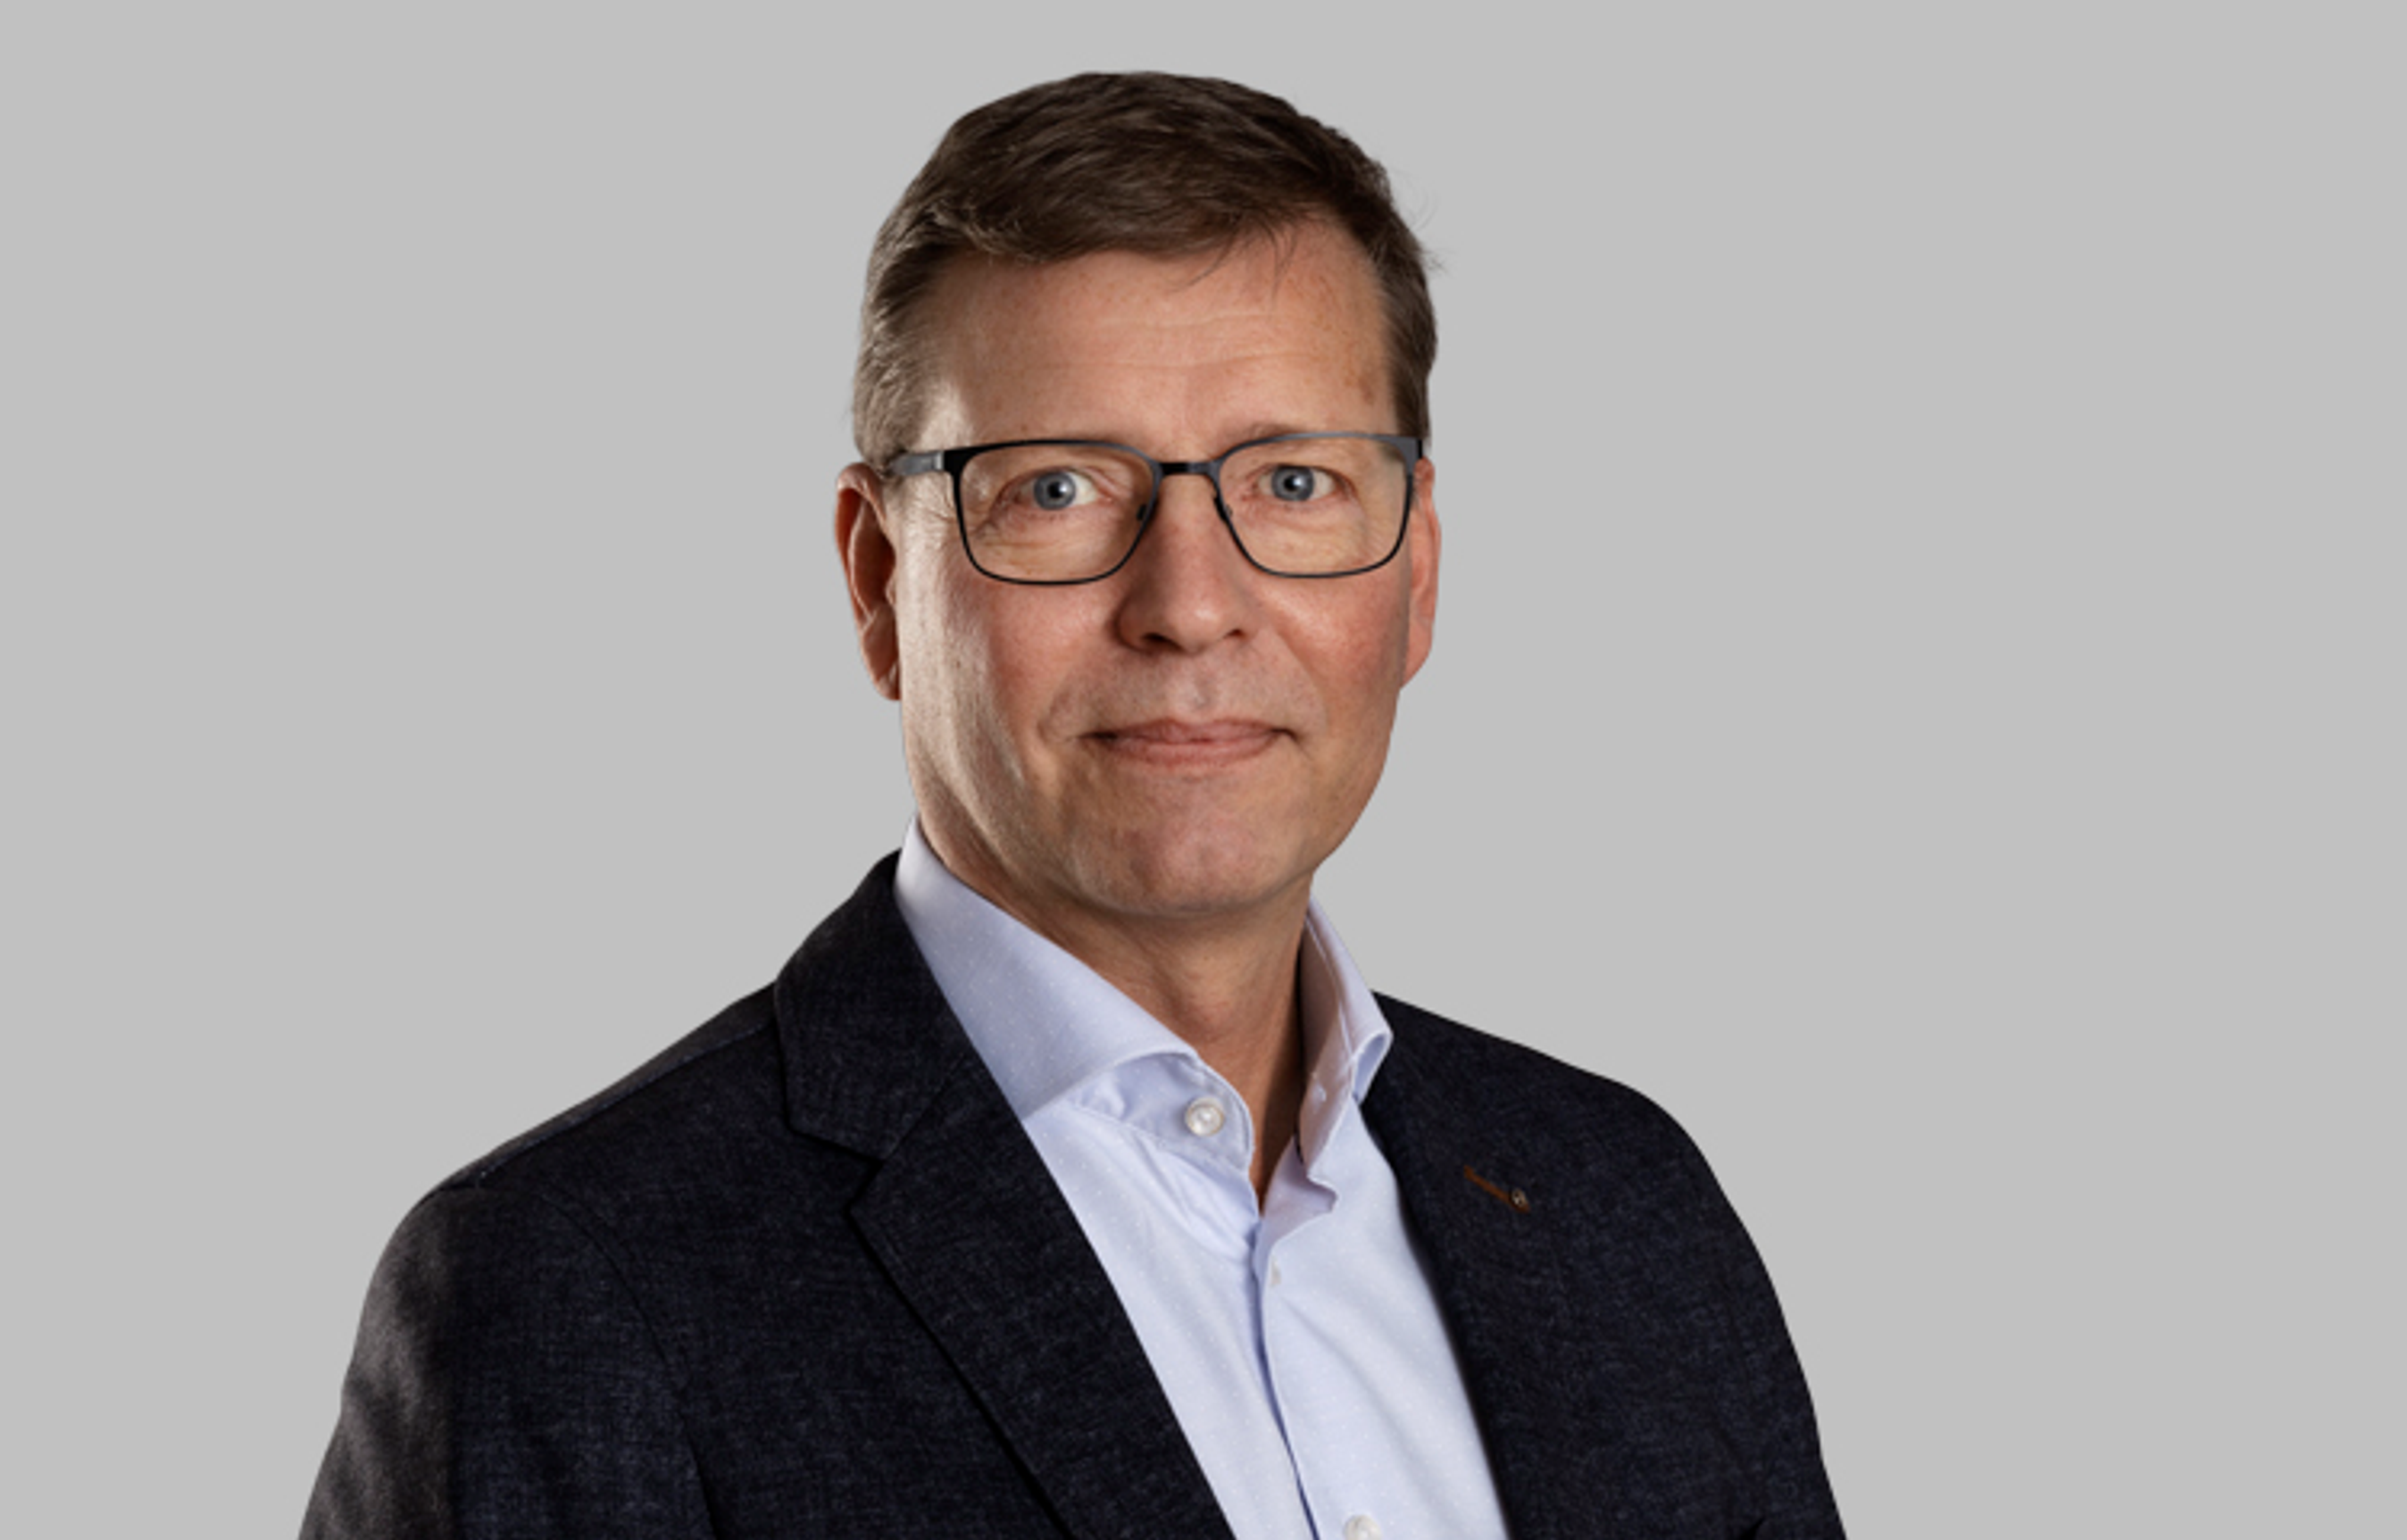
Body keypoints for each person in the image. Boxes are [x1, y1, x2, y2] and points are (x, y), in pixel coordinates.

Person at [303, 71, 1845, 1539]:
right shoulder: (576, 1287)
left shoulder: (1624, 1208)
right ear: (878, 580)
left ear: (1417, 570)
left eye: (1293, 484)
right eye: (1055, 488)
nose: (1190, 605)